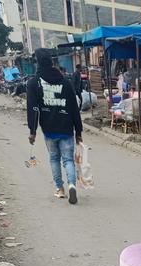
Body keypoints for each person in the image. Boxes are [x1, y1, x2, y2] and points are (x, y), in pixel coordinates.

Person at [26, 49, 83, 205]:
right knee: (68, 160)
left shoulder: (34, 83)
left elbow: (34, 109)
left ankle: (60, 189)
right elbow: (74, 108)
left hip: (49, 130)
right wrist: (78, 131)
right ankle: (72, 184)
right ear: (52, 62)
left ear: (38, 63)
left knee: (54, 159)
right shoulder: (65, 82)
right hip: (66, 128)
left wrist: (33, 132)